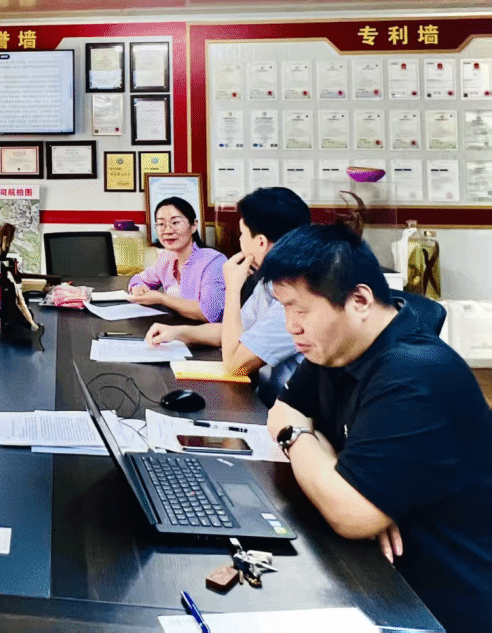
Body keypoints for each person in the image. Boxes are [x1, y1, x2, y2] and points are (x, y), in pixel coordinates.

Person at [259, 224, 492, 633]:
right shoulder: (335, 347)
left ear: (360, 300)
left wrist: (297, 438)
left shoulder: (413, 374)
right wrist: (340, 479)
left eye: (301, 310)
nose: (291, 326)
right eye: (284, 309)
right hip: (380, 575)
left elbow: (350, 514)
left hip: (441, 604)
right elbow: (282, 412)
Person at [144, 187, 310, 403]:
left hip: (280, 411)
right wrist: (177, 332)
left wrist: (232, 288)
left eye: (242, 234)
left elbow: (234, 366)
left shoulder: (297, 299)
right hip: (263, 400)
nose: (240, 241)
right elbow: (233, 331)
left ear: (260, 242)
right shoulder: (271, 281)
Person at [126, 196, 225, 321]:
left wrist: (162, 299)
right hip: (172, 328)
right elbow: (138, 279)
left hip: (204, 332)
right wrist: (137, 288)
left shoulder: (213, 261)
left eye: (175, 223)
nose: (167, 231)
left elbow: (210, 313)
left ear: (194, 226)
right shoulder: (166, 258)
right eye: (161, 224)